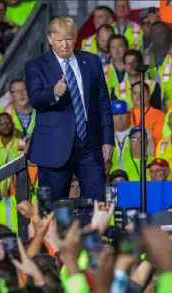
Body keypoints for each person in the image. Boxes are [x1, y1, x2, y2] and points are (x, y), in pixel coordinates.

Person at [25, 17, 114, 202]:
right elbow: (35, 100)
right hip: (54, 148)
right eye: (59, 40)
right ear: (50, 39)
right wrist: (54, 93)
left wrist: (107, 140)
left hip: (89, 145)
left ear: (75, 38)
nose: (64, 45)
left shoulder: (91, 61)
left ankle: (95, 232)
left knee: (98, 204)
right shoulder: (36, 66)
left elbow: (103, 103)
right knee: (51, 210)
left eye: (68, 39)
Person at [130, 82, 165, 147]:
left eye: (142, 92)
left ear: (149, 96)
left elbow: (159, 141)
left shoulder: (159, 115)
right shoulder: (126, 114)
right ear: (131, 97)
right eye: (135, 93)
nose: (139, 95)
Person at [111, 100, 132, 172]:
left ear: (129, 115)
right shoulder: (103, 137)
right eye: (116, 114)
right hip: (112, 177)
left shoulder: (140, 134)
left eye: (123, 113)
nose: (120, 117)